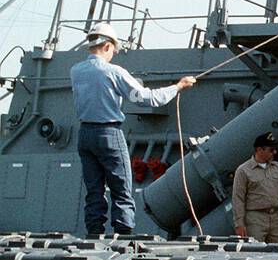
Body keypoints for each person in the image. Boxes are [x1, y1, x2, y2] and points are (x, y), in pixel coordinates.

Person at [70, 22, 196, 238]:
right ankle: (123, 233)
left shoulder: (76, 71)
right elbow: (147, 98)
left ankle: (94, 233)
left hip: (85, 135)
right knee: (121, 187)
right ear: (108, 46)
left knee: (93, 189)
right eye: (114, 50)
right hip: (109, 134)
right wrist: (178, 86)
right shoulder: (113, 72)